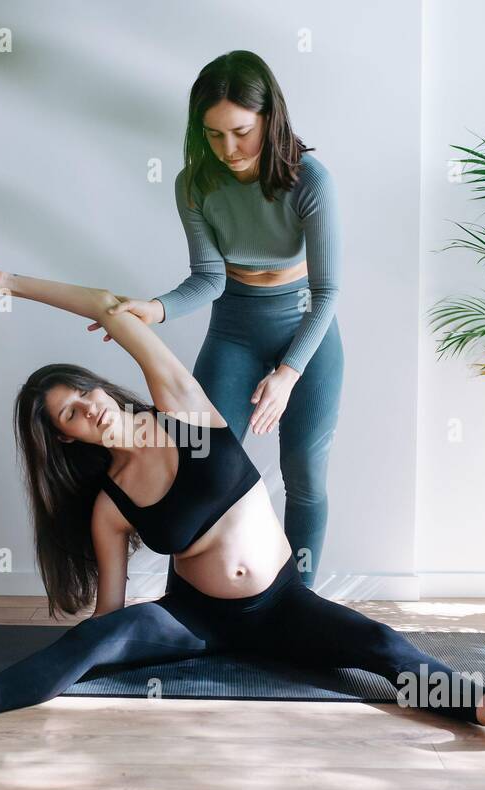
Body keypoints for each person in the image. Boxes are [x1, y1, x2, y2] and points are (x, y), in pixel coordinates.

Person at [0, 266, 485, 753]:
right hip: (196, 621)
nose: (85, 408)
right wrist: (95, 651)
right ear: (67, 437)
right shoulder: (110, 504)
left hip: (281, 606)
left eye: (82, 393)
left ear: (102, 390)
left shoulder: (188, 417)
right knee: (91, 639)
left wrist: (12, 284)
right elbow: (110, 614)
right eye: (68, 416)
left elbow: (113, 306)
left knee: (380, 647)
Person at [89, 51, 343, 588]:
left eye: (241, 132)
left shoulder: (310, 180)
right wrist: (152, 309)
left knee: (304, 473)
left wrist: (288, 374)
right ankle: (185, 600)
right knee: (197, 462)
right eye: (214, 134)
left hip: (306, 331)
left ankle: (300, 600)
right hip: (235, 329)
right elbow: (209, 278)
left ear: (270, 118)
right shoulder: (194, 185)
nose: (229, 149)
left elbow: (327, 293)